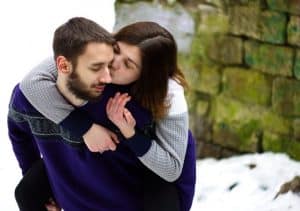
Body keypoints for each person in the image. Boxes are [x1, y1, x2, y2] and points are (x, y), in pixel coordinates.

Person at [9, 17, 196, 211]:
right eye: (116, 50)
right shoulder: (97, 56)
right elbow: (32, 84)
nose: (113, 63)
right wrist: (85, 128)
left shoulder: (168, 93)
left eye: (128, 64)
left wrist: (130, 133)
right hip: (84, 166)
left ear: (145, 75)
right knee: (27, 192)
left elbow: (171, 169)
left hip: (155, 177)